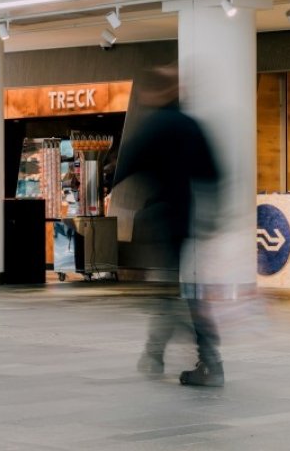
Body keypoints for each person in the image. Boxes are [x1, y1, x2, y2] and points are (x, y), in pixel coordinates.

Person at [113, 64, 224, 387]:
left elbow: (127, 165)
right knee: (176, 290)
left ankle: (204, 359)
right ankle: (159, 353)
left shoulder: (155, 125)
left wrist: (115, 184)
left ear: (154, 92)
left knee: (174, 293)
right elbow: (213, 173)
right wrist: (212, 218)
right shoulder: (191, 125)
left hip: (162, 220)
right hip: (189, 219)